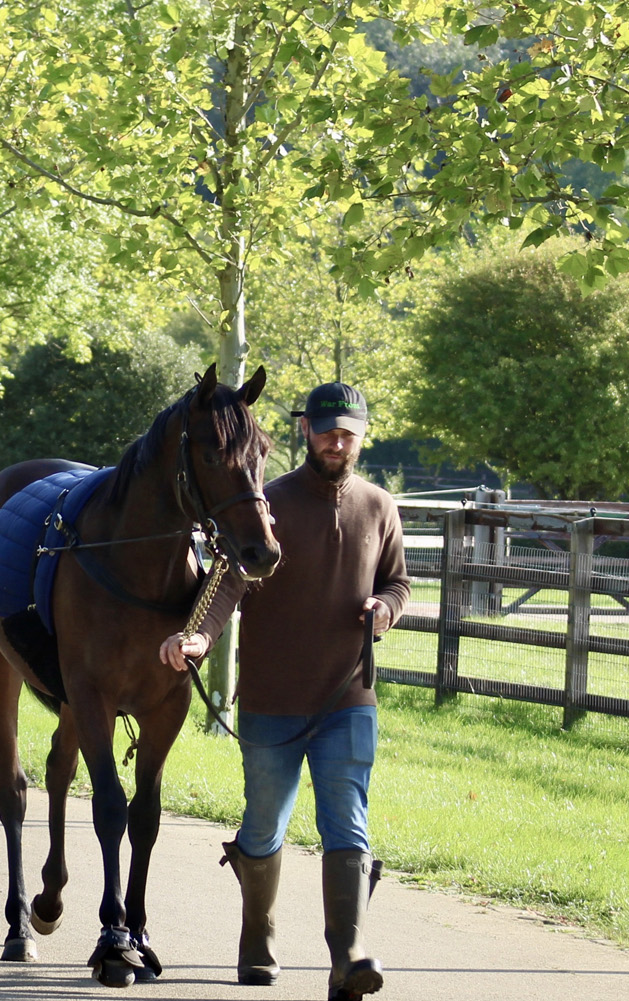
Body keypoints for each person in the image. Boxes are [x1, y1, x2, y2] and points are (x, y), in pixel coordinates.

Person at [159, 382, 410, 1001]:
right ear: (306, 432)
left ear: (361, 436)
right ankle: (257, 933)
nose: (336, 440)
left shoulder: (380, 506)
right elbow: (225, 585)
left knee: (346, 821)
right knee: (265, 824)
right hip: (272, 700)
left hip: (349, 697)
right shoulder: (264, 503)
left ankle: (348, 954)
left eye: (348, 431)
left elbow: (399, 583)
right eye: (326, 430)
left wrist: (385, 608)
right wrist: (197, 637)